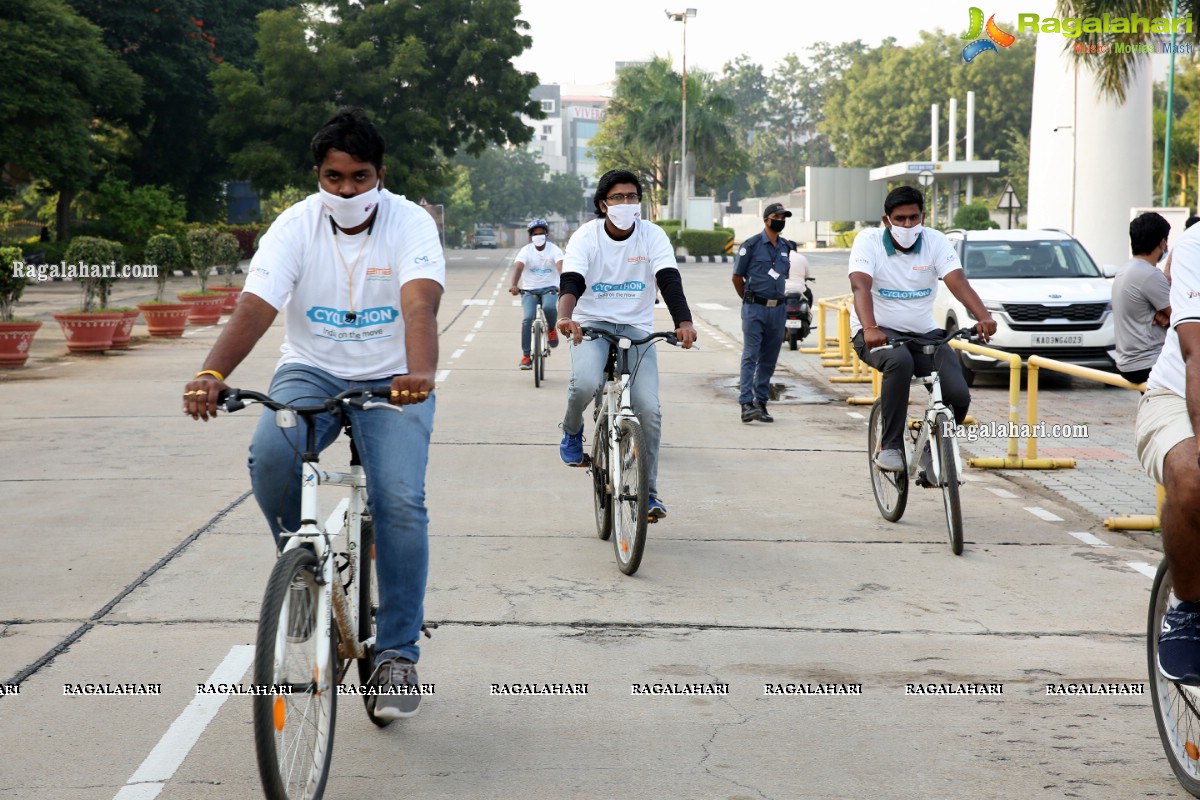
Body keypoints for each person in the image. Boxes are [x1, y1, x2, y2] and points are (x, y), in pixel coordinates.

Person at [181, 108, 443, 720]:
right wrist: (212, 372)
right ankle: (299, 572)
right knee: (272, 455)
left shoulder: (410, 223)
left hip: (393, 377)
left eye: (360, 176)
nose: (347, 190)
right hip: (311, 368)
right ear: (317, 174)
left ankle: (398, 654)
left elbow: (421, 304)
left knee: (401, 500)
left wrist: (421, 371)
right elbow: (256, 303)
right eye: (333, 177)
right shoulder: (294, 225)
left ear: (380, 173)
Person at [556, 169, 697, 521]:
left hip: (637, 326)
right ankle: (573, 431)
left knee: (649, 409)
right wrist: (564, 317)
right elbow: (571, 280)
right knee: (586, 383)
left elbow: (668, 278)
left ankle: (648, 494)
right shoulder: (586, 237)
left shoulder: (652, 235)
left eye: (633, 197)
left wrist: (683, 322)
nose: (626, 203)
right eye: (618, 198)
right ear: (603, 205)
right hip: (591, 322)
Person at [849, 186, 997, 477]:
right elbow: (860, 286)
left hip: (923, 333)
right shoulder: (868, 242)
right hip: (876, 332)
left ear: (923, 216)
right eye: (900, 219)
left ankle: (932, 454)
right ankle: (890, 445)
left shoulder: (935, 242)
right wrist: (869, 327)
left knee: (958, 395)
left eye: (913, 218)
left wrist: (983, 316)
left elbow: (957, 281)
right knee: (899, 362)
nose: (907, 225)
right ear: (886, 220)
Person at [1137, 221, 1200, 683]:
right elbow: (1197, 355)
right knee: (1194, 478)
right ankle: (1189, 610)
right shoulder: (1198, 246)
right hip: (1179, 396)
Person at [732, 203, 793, 423]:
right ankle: (746, 403)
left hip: (778, 309)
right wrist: (749, 300)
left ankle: (761, 403)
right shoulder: (751, 245)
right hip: (754, 308)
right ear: (766, 219)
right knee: (751, 355)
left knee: (769, 359)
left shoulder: (786, 247)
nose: (781, 220)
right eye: (777, 216)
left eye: (784, 217)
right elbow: (737, 277)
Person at [1112, 212, 1172, 385]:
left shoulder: (1124, 270)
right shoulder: (1150, 274)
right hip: (1149, 362)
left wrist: (1164, 316)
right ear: (1162, 243)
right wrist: (1168, 319)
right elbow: (1181, 317)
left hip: (1127, 363)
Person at [510, 218, 564, 368]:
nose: (538, 236)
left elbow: (560, 267)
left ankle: (552, 329)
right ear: (531, 236)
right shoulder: (526, 251)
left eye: (541, 233)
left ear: (546, 234)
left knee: (549, 308)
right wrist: (514, 285)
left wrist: (565, 283)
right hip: (529, 290)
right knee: (527, 319)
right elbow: (519, 268)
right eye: (535, 234)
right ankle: (526, 356)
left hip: (550, 288)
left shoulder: (554, 249)